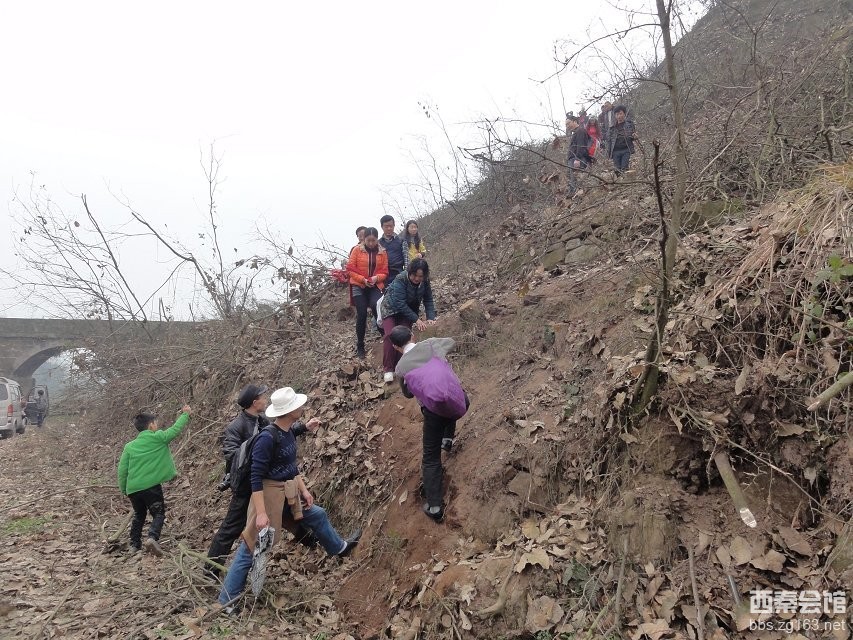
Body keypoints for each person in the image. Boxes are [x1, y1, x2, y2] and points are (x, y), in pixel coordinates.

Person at [218, 387, 361, 607]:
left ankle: (339, 548)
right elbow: (256, 478)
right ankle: (226, 601)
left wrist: (303, 490)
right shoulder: (267, 439)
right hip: (268, 497)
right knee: (251, 546)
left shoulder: (286, 432)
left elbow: (289, 466)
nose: (302, 407)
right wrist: (262, 514)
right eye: (298, 405)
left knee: (317, 514)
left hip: (288, 491)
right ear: (289, 411)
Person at [206, 384, 317, 577]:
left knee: (289, 516)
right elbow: (232, 456)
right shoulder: (236, 426)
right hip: (247, 486)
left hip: (268, 484)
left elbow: (279, 435)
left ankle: (313, 543)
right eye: (262, 397)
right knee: (231, 528)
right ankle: (210, 571)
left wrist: (303, 428)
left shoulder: (262, 420)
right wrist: (255, 451)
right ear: (254, 402)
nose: (265, 400)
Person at [390, 327, 469, 523]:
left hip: (432, 412)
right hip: (459, 400)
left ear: (395, 347)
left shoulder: (401, 368)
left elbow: (408, 394)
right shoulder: (432, 344)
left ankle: (435, 506)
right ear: (412, 335)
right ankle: (448, 438)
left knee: (430, 457)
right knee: (448, 402)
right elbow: (451, 341)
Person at [118, 404, 192, 556]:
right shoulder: (158, 437)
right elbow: (175, 430)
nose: (157, 426)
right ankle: (152, 537)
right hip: (151, 487)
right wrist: (185, 415)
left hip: (133, 489)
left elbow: (122, 470)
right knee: (158, 513)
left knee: (139, 515)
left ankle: (134, 544)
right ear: (151, 425)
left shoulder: (129, 446)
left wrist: (124, 489)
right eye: (156, 423)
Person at [379, 258, 436, 383]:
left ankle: (401, 366)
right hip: (390, 309)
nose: (416, 279)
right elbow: (399, 303)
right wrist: (416, 319)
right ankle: (388, 369)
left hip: (409, 311)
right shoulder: (401, 279)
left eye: (420, 276)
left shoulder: (425, 282)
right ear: (409, 272)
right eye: (414, 275)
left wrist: (430, 317)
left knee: (405, 336)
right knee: (391, 335)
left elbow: (428, 299)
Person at [347, 227, 389, 359]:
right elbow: (350, 269)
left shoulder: (382, 252)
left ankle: (386, 337)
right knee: (362, 314)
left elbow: (385, 271)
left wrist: (377, 278)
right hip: (359, 286)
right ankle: (360, 345)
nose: (371, 243)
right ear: (363, 239)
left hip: (374, 285)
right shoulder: (356, 250)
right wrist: (363, 280)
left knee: (378, 307)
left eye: (373, 240)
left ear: (377, 239)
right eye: (368, 240)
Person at [566, 114, 592, 197]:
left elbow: (581, 146)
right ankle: (575, 198)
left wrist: (577, 159)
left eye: (568, 123)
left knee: (576, 180)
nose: (567, 126)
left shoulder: (580, 131)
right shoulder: (576, 132)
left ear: (574, 122)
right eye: (566, 124)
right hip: (574, 159)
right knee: (574, 180)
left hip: (577, 159)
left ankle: (577, 199)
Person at [608, 105, 637, 176]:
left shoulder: (630, 125)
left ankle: (624, 182)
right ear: (615, 115)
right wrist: (608, 153)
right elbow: (609, 141)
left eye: (620, 114)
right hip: (615, 151)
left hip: (626, 149)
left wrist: (635, 136)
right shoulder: (612, 128)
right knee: (617, 169)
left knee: (624, 168)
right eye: (617, 114)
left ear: (624, 114)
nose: (619, 116)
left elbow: (633, 135)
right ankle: (619, 183)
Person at [379, 215, 405, 284]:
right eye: (386, 226)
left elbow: (406, 259)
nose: (389, 228)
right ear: (382, 227)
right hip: (384, 276)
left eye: (391, 226)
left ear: (394, 225)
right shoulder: (378, 243)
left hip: (399, 273)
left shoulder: (401, 240)